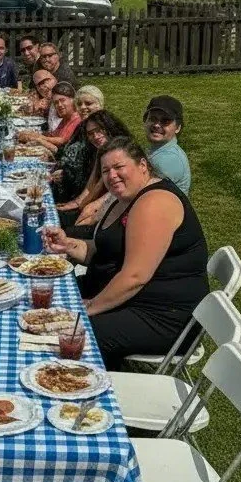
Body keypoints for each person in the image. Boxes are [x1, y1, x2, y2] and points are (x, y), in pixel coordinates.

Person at [44, 137, 209, 369]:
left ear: (142, 165)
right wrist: (68, 244)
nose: (112, 176)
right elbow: (102, 251)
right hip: (128, 300)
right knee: (46, 299)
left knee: (71, 335)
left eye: (119, 167)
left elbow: (135, 277)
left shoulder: (155, 202)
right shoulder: (124, 198)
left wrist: (89, 307)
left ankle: (85, 390)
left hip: (161, 315)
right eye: (105, 171)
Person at [56, 110, 132, 232]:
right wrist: (76, 203)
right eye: (91, 133)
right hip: (97, 207)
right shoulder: (101, 150)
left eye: (99, 130)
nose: (95, 136)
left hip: (113, 214)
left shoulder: (123, 150)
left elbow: (114, 193)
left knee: (66, 229)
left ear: (109, 126)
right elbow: (91, 185)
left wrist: (90, 207)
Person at [48, 87, 106, 204]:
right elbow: (66, 149)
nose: (83, 107)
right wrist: (52, 156)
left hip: (79, 195)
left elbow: (95, 174)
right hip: (61, 184)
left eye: (88, 103)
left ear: (100, 104)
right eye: (79, 104)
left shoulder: (103, 132)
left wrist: (65, 174)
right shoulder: (81, 127)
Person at [143, 95, 191, 194]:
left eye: (165, 121)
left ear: (177, 128)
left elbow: (141, 193)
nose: (156, 125)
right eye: (153, 118)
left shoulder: (167, 159)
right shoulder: (158, 150)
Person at [18, 82, 80, 153]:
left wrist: (37, 138)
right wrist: (32, 134)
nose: (59, 105)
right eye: (56, 102)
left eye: (62, 100)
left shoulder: (77, 119)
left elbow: (62, 141)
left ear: (73, 100)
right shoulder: (66, 118)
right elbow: (52, 135)